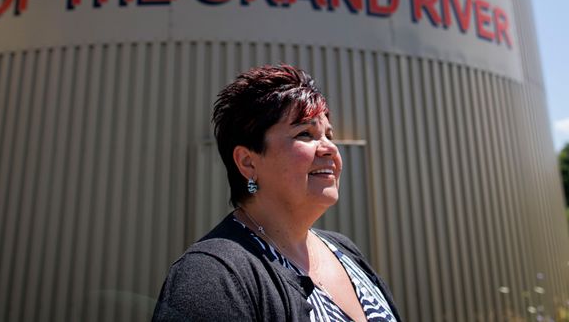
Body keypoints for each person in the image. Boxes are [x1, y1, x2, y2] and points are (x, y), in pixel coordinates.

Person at [152, 64, 402, 321]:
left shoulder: (345, 250)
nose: (329, 148)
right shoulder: (211, 275)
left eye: (329, 134)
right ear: (248, 162)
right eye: (305, 134)